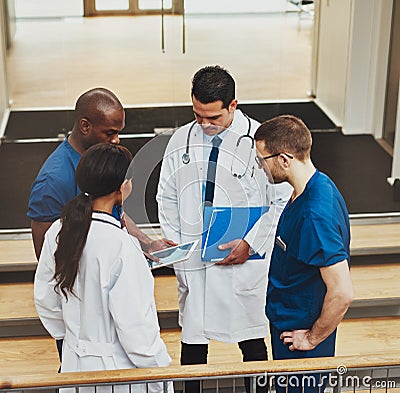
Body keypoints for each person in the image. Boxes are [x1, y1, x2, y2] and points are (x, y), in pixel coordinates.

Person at [157, 65, 292, 393]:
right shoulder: (181, 139)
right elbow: (167, 196)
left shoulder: (262, 141)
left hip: (242, 262)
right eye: (197, 115)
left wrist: (251, 241)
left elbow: (281, 200)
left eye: (212, 117)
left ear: (233, 105)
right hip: (195, 261)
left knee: (252, 343)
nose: (203, 124)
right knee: (192, 345)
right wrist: (178, 250)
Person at [34, 143, 172, 393]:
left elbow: (46, 299)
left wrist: (74, 339)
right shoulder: (122, 246)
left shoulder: (58, 230)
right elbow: (138, 332)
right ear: (122, 188)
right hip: (119, 372)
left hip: (74, 366)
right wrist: (162, 375)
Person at [254, 115, 354, 393]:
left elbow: (343, 292)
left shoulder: (314, 214)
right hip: (289, 325)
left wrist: (311, 338)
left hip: (299, 340)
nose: (260, 167)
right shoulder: (313, 186)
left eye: (262, 160)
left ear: (284, 159)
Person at [28, 87, 172, 260]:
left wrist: (147, 244)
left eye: (119, 132)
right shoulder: (52, 181)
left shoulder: (101, 159)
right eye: (110, 133)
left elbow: (116, 212)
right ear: (85, 126)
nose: (116, 140)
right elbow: (46, 257)